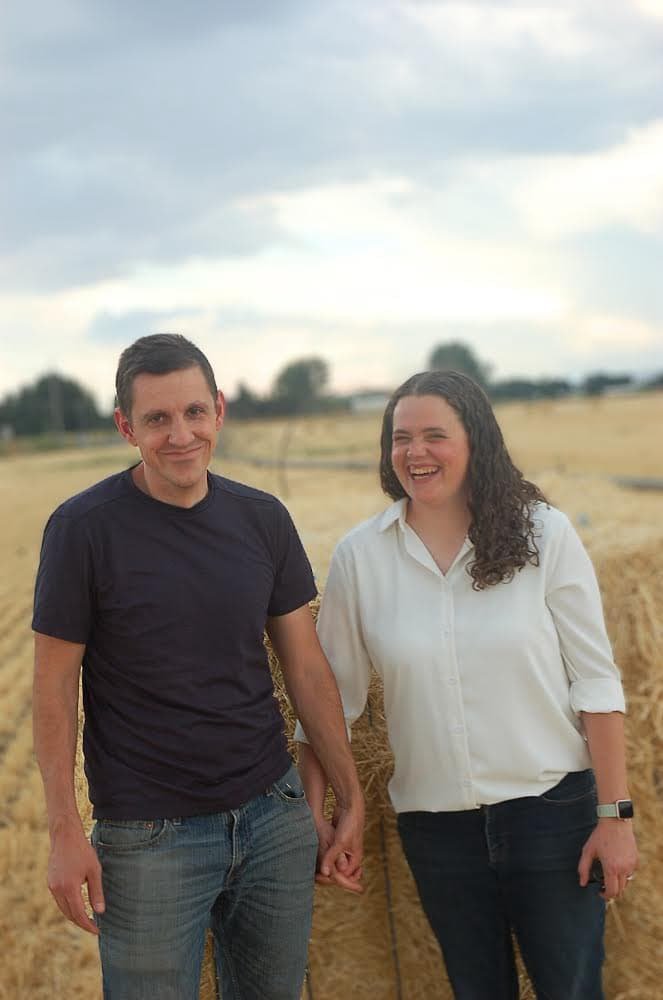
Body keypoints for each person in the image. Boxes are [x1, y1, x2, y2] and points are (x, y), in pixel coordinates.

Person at [32, 333, 364, 1000]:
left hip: (273, 817)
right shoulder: (82, 530)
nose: (180, 435)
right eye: (157, 419)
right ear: (127, 426)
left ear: (218, 410)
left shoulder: (262, 518)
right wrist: (65, 832)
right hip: (148, 839)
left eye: (192, 413)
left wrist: (348, 796)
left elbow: (305, 667)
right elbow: (52, 687)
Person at [296, 370, 638, 999]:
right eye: (401, 438)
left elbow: (596, 681)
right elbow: (325, 705)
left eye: (434, 435)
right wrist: (317, 814)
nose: (415, 452)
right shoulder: (360, 558)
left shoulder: (544, 536)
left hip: (552, 816)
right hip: (436, 830)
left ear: (475, 441)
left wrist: (615, 816)